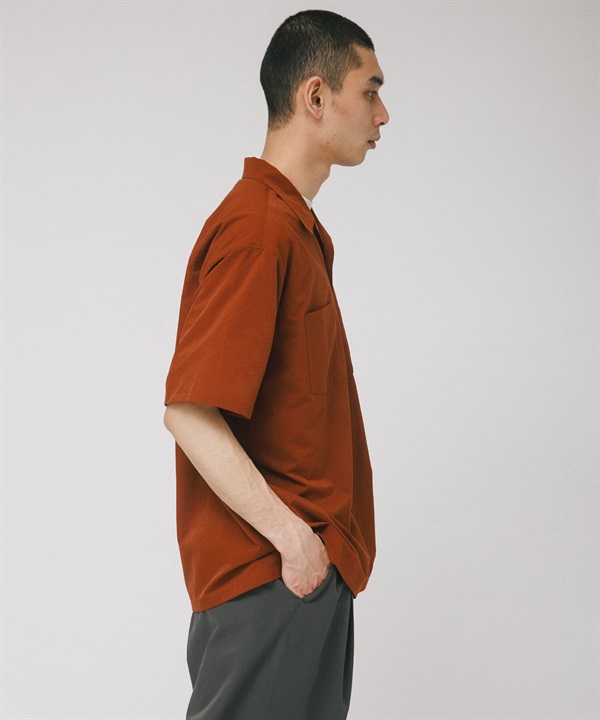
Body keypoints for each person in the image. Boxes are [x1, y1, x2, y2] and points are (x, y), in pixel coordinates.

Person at [163, 9, 389, 720]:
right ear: (316, 96)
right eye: (371, 90)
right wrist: (293, 541)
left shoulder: (290, 228)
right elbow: (189, 412)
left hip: (298, 581)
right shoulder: (259, 230)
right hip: (273, 581)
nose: (383, 114)